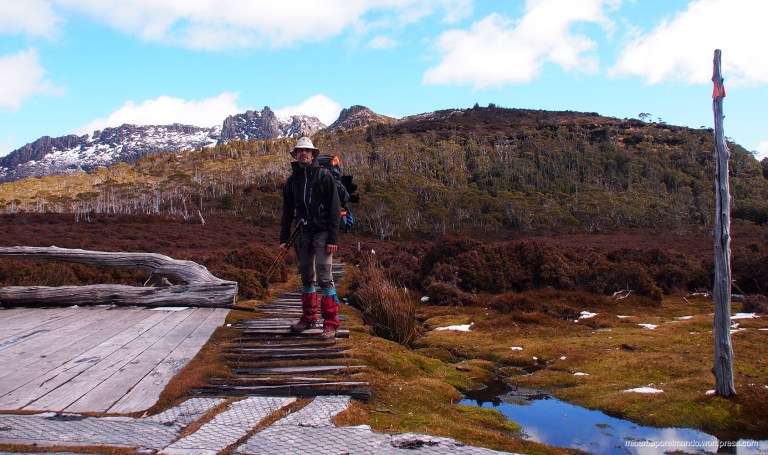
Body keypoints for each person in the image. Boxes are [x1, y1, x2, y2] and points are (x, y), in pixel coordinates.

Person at [279, 136, 342, 340]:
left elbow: (334, 208)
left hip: (323, 233)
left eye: (307, 151)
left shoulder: (324, 176)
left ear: (313, 154)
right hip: (302, 233)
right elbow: (287, 211)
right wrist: (284, 238)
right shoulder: (292, 181)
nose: (303, 154)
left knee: (325, 277)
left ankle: (331, 324)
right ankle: (308, 318)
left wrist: (333, 238)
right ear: (295, 155)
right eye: (300, 151)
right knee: (307, 276)